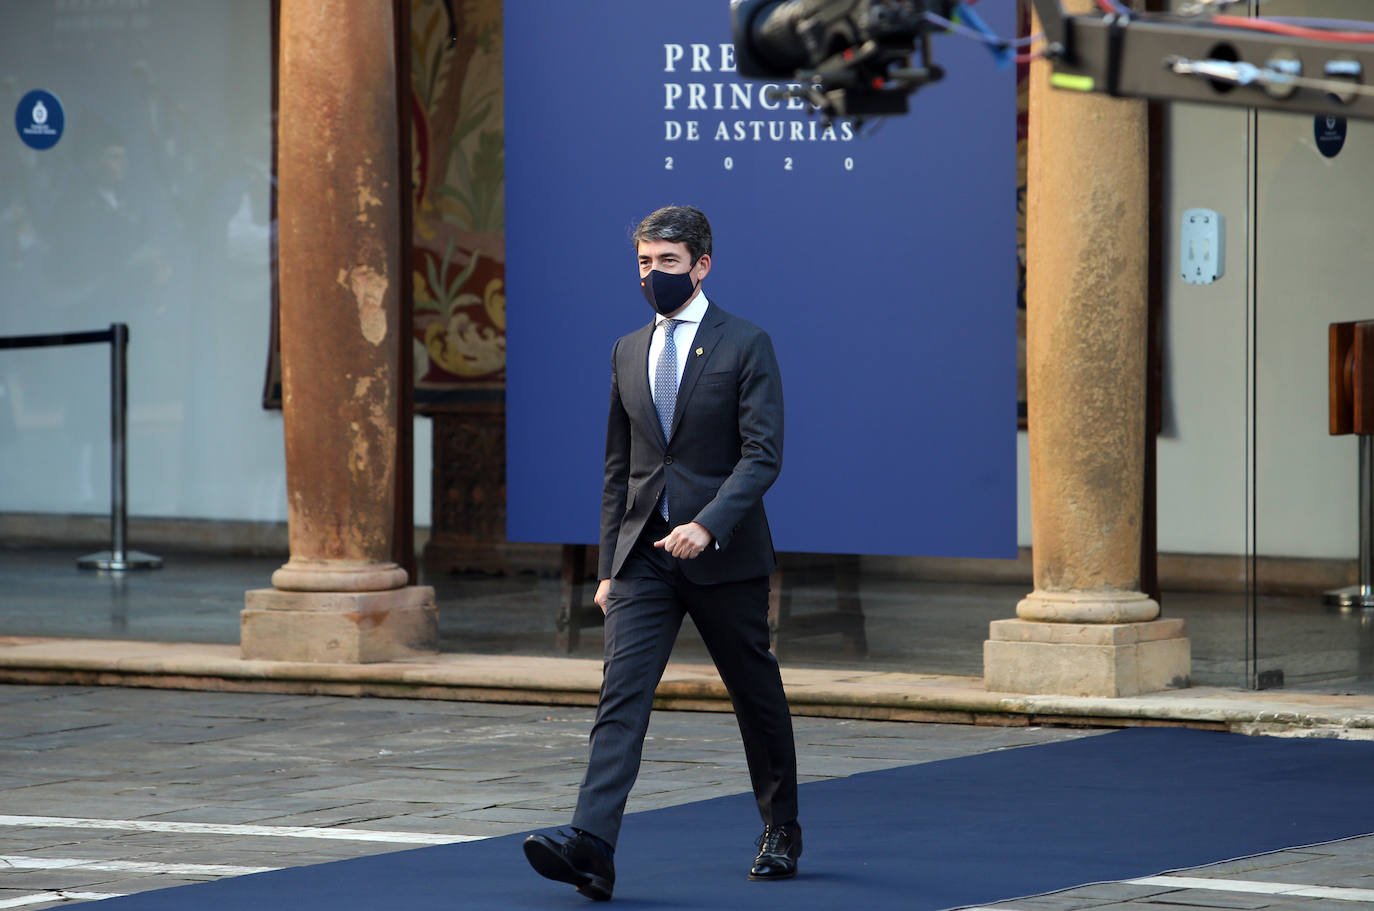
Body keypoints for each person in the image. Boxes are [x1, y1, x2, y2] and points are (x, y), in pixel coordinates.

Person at [523, 206, 800, 900]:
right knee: (622, 694)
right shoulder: (625, 350)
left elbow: (763, 456)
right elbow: (620, 469)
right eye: (644, 262)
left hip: (724, 554)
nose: (653, 275)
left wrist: (708, 524)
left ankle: (782, 826)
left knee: (755, 695)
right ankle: (593, 844)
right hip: (644, 556)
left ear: (701, 265)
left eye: (667, 262)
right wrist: (610, 567)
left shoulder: (746, 343)